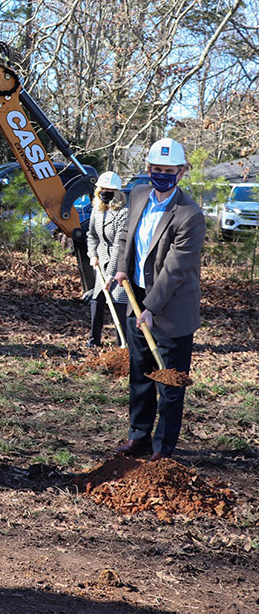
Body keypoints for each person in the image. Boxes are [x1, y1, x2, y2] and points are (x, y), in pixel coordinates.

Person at [113, 138, 205, 461]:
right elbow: (126, 235)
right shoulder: (138, 195)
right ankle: (138, 436)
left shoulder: (189, 215)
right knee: (139, 373)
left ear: (181, 172)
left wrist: (151, 307)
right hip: (136, 297)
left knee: (169, 381)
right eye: (157, 169)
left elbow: (175, 270)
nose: (162, 175)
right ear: (148, 169)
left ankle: (162, 448)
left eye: (170, 170)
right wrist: (120, 269)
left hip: (171, 308)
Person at [85, 171, 129, 350]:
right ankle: (93, 341)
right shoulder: (97, 209)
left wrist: (111, 274)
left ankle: (123, 344)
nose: (104, 192)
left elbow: (119, 246)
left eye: (109, 189)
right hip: (100, 260)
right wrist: (92, 255)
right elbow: (91, 235)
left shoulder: (123, 213)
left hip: (119, 264)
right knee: (97, 301)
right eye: (102, 188)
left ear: (117, 192)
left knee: (118, 302)